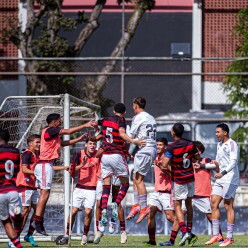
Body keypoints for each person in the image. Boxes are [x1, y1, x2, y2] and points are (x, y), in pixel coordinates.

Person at [33, 113, 93, 235]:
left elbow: (63, 143)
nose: (60, 122)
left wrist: (79, 139)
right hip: (44, 164)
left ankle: (38, 220)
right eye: (59, 120)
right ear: (54, 122)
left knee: (45, 194)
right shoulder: (50, 130)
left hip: (47, 165)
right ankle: (37, 221)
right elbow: (69, 131)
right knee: (44, 194)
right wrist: (85, 125)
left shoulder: (51, 133)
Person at [91, 102, 143, 232]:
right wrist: (134, 141)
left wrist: (96, 128)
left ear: (113, 111)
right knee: (125, 183)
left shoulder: (106, 120)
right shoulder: (121, 120)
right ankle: (115, 203)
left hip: (106, 157)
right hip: (116, 156)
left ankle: (103, 210)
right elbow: (121, 134)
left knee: (106, 187)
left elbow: (95, 123)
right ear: (124, 112)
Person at [56, 137, 100, 246]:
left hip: (92, 188)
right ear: (86, 145)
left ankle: (85, 235)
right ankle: (67, 234)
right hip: (80, 187)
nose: (92, 146)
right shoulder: (78, 154)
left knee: (88, 212)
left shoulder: (99, 155)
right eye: (90, 143)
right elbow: (71, 169)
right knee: (74, 211)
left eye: (94, 144)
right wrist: (82, 164)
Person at [161, 123, 197, 246]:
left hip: (179, 180)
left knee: (177, 205)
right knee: (189, 204)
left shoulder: (171, 147)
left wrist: (171, 168)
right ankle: (189, 231)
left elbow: (164, 164)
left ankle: (184, 231)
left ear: (173, 133)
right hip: (190, 178)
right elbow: (197, 157)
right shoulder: (190, 143)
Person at [205, 123, 239, 247]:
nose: (216, 134)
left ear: (225, 132)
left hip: (230, 179)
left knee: (227, 205)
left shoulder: (232, 144)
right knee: (213, 201)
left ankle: (229, 237)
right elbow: (218, 164)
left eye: (218, 132)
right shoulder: (219, 145)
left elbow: (233, 162)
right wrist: (203, 166)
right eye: (216, 132)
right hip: (221, 177)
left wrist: (223, 172)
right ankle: (216, 234)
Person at [126, 97, 157, 224]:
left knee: (138, 180)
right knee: (135, 177)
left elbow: (131, 136)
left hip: (145, 149)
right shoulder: (151, 117)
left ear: (135, 106)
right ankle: (136, 205)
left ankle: (143, 207)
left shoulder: (138, 117)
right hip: (151, 149)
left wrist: (124, 129)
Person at [145, 137, 179, 246]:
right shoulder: (156, 157)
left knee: (170, 217)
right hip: (156, 192)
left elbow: (172, 175)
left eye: (160, 145)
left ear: (165, 146)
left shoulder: (168, 158)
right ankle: (152, 241)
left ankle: (187, 232)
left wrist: (163, 168)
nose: (158, 147)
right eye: (157, 145)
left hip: (167, 192)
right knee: (150, 213)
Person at [192, 141, 223, 243]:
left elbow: (217, 170)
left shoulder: (206, 161)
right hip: (189, 195)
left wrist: (216, 165)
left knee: (210, 217)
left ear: (199, 151)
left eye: (194, 149)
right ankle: (188, 234)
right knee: (178, 215)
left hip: (203, 194)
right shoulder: (187, 162)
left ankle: (220, 237)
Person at [16, 134, 41, 247]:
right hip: (24, 186)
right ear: (30, 143)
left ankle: (29, 234)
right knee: (25, 212)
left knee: (39, 211)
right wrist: (38, 173)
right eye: (37, 142)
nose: (39, 144)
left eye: (40, 142)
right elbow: (24, 169)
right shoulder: (26, 154)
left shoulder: (37, 155)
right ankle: (15, 238)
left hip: (34, 187)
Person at [0, 129, 23, 248]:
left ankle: (17, 246)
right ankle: (16, 215)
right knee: (17, 220)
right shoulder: (15, 151)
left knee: (5, 221)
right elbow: (17, 169)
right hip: (13, 190)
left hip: (1, 192)